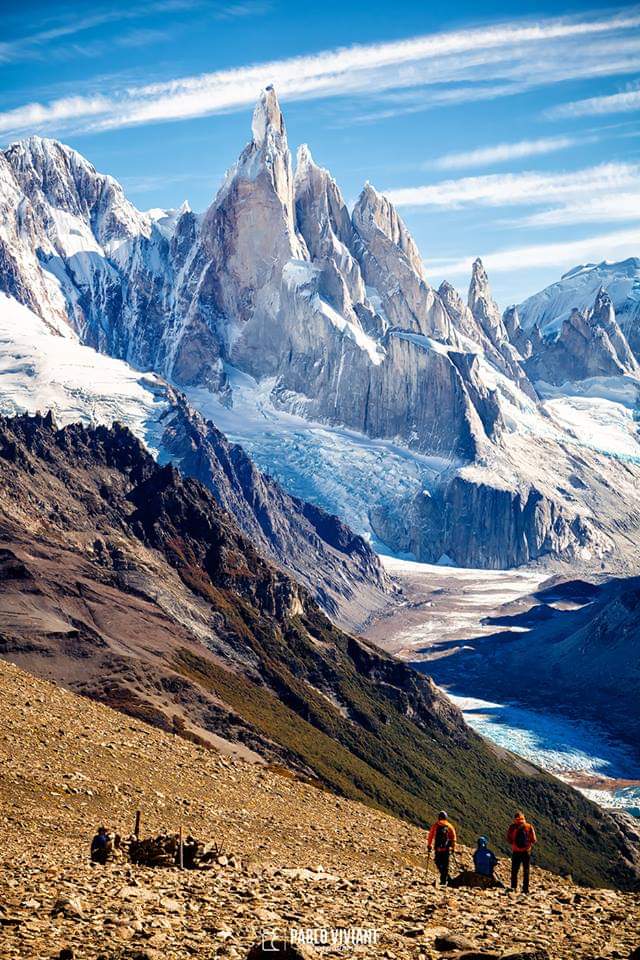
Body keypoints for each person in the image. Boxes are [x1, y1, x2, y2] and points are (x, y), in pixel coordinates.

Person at [507, 812, 537, 893]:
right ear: (523, 818)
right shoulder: (529, 826)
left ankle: (514, 887)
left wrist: (514, 842)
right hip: (526, 851)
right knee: (526, 870)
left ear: (515, 818)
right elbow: (534, 839)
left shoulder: (512, 827)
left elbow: (509, 840)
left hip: (516, 851)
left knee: (514, 870)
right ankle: (525, 889)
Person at [427, 810, 457, 886]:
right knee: (445, 864)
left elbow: (430, 836)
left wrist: (429, 845)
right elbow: (453, 838)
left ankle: (445, 878)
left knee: (438, 862)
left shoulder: (436, 825)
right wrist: (453, 848)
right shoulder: (449, 826)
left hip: (437, 848)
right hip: (446, 849)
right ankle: (445, 879)